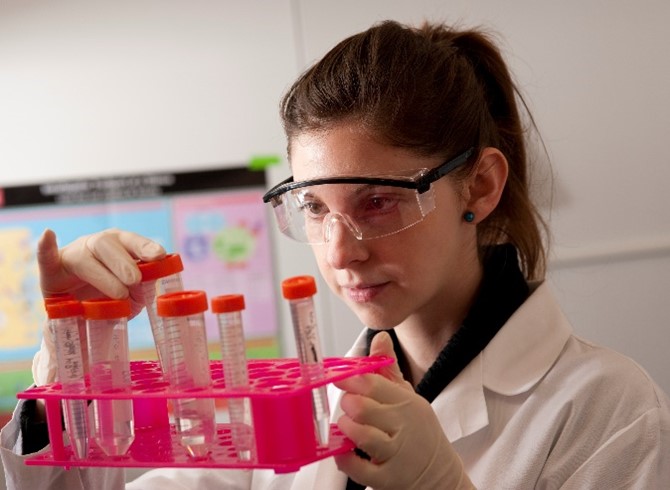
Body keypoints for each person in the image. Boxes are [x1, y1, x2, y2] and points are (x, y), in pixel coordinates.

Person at [2, 19, 669, 490]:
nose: (340, 252)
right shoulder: (299, 409)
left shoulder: (605, 408)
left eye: (378, 201)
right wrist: (79, 360)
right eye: (315, 208)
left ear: (483, 185)